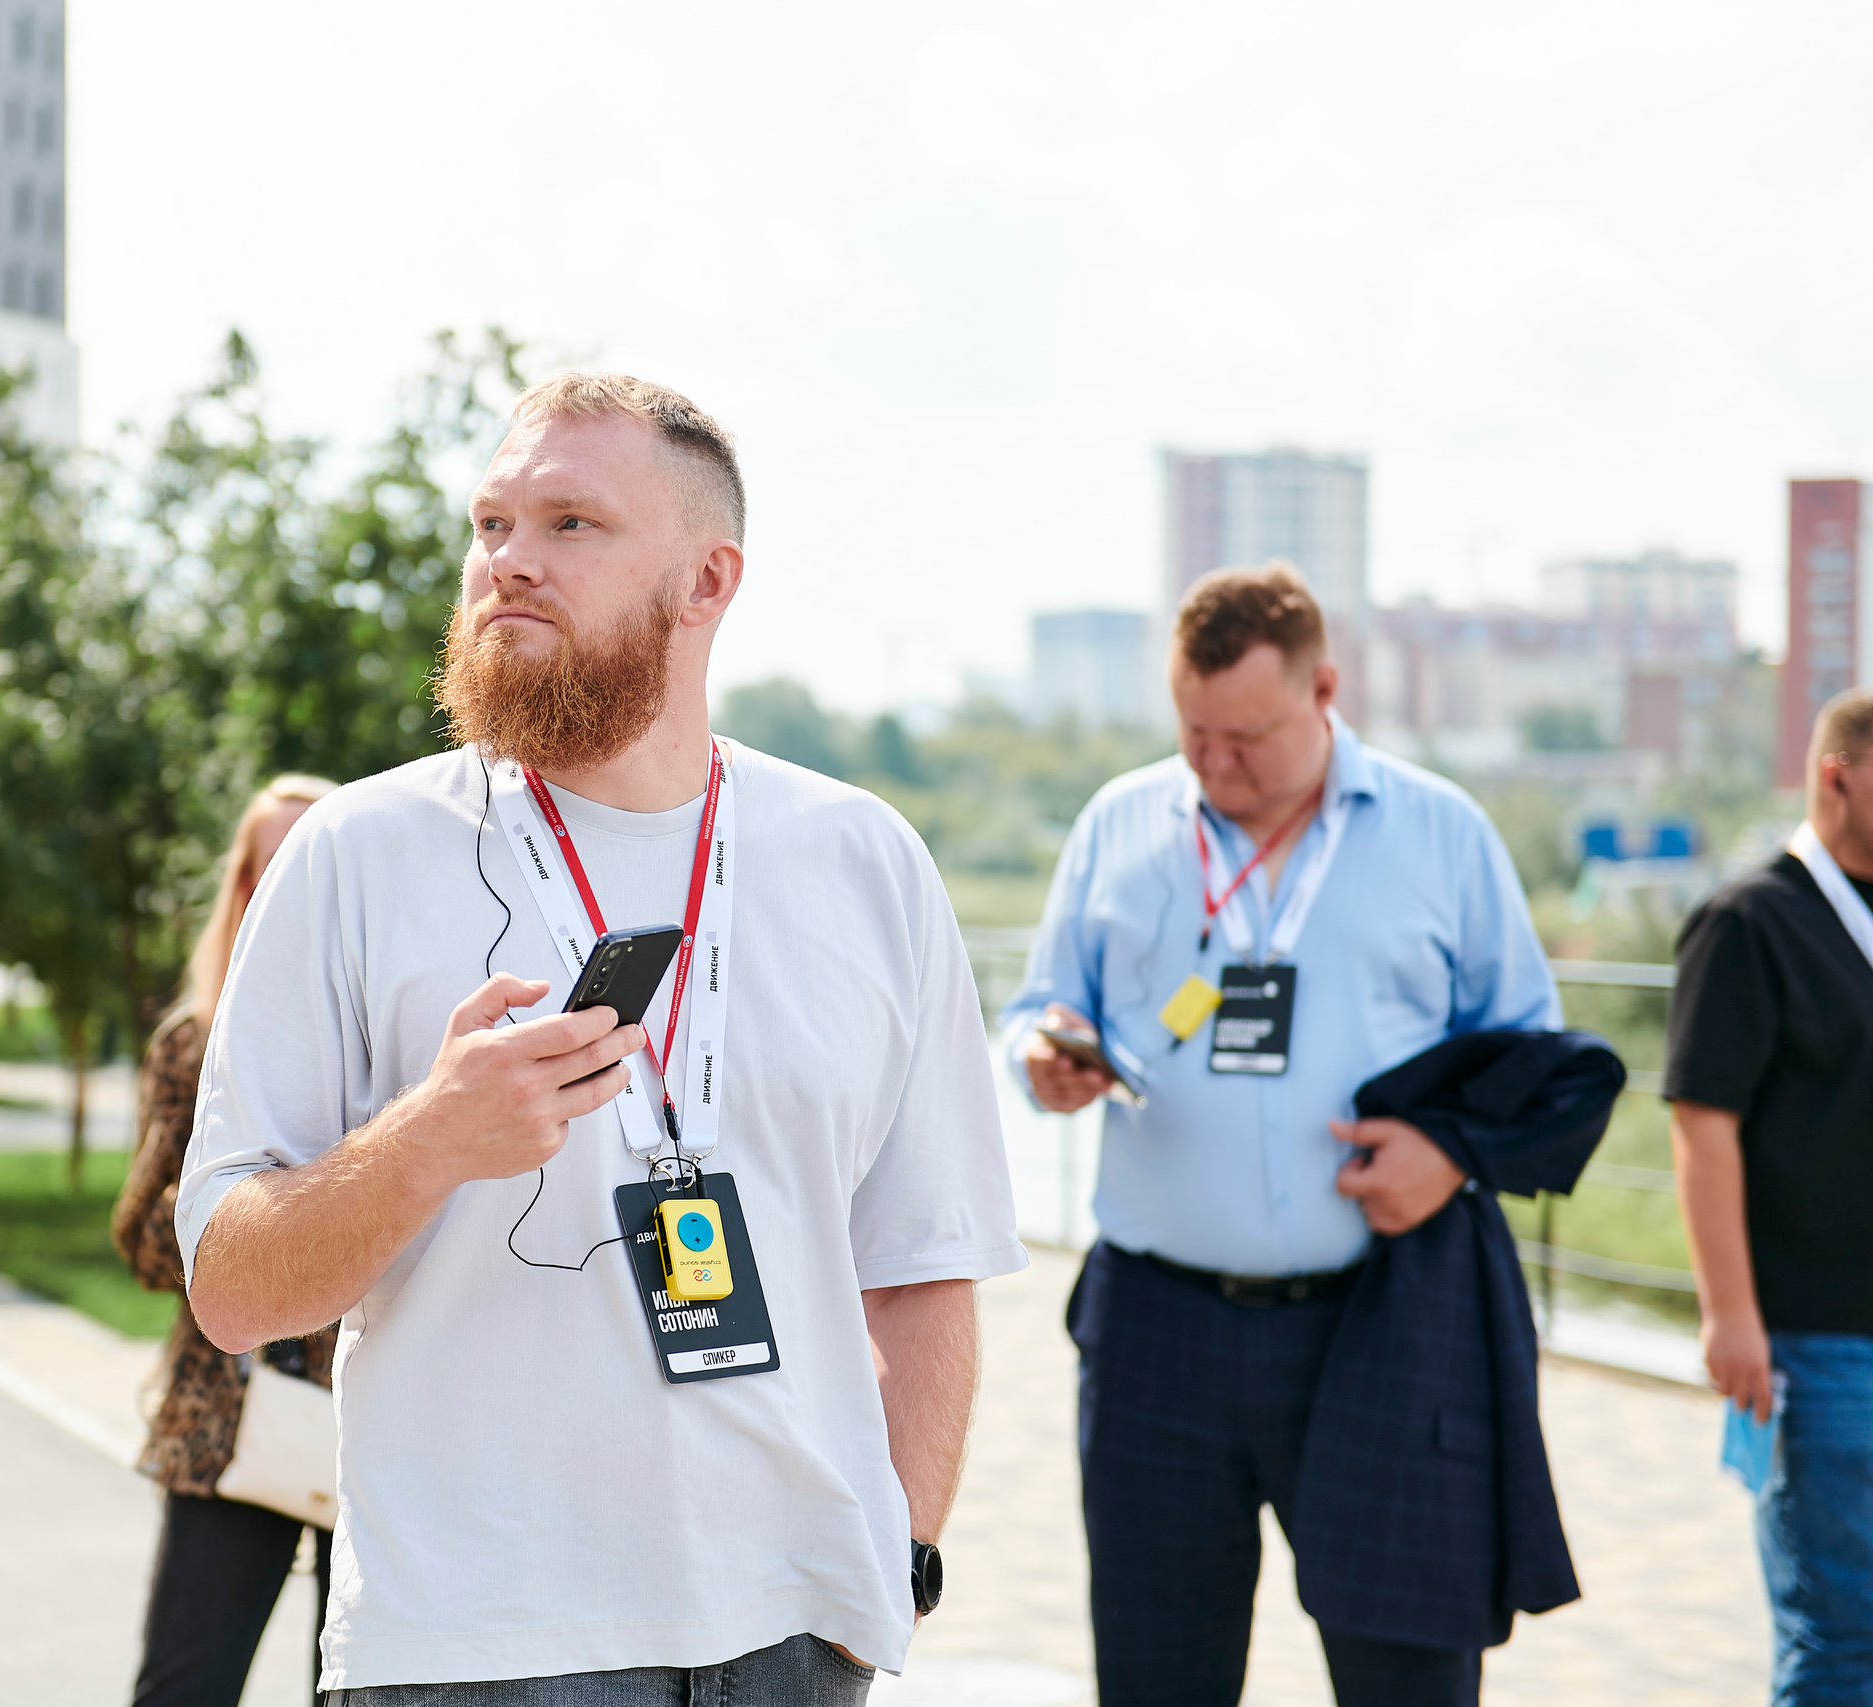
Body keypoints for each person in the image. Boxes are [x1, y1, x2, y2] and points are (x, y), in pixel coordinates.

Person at [175, 374, 1022, 1706]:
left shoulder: (864, 859)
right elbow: (230, 1289)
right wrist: (426, 1142)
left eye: (570, 523)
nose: (508, 561)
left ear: (706, 581)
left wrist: (893, 1559)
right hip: (474, 1652)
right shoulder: (353, 854)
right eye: (492, 523)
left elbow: (923, 1260)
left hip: (797, 1644)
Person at [1009, 565, 1564, 1706]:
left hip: (1382, 1320)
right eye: (1194, 732)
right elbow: (1037, 1005)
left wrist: (1451, 1157)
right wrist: (1042, 1056)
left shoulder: (1443, 832)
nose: (1215, 763)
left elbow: (1532, 1056)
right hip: (1154, 1330)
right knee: (1155, 1678)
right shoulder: (1118, 822)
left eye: (1246, 738)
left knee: (1407, 1678)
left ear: (1324, 690)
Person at [113, 773, 338, 1707]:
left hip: (376, 1419)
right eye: (262, 866)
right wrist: (249, 1219)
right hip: (227, 1411)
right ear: (239, 885)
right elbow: (138, 1236)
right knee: (184, 1687)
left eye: (305, 862)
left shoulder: (398, 1042)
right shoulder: (193, 1040)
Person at [1668, 686, 1873, 1706]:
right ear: (1840, 776)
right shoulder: (1748, 922)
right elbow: (1701, 1123)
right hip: (1815, 1337)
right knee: (1839, 1635)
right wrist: (1730, 1314)